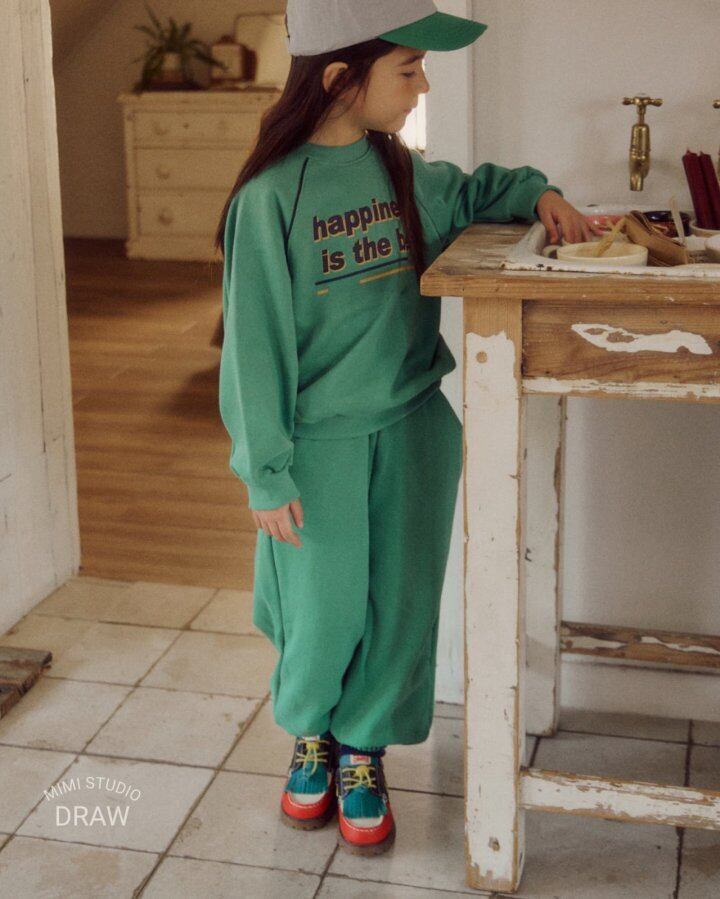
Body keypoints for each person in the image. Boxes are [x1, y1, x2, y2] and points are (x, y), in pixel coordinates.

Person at [214, 0, 600, 856]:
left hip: (415, 429)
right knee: (320, 609)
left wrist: (540, 191)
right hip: (318, 445)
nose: (422, 85)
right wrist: (265, 470)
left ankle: (363, 748)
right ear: (340, 79)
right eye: (409, 68)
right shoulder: (271, 197)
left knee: (401, 603)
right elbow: (253, 349)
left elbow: (480, 190)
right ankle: (312, 735)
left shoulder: (403, 173)